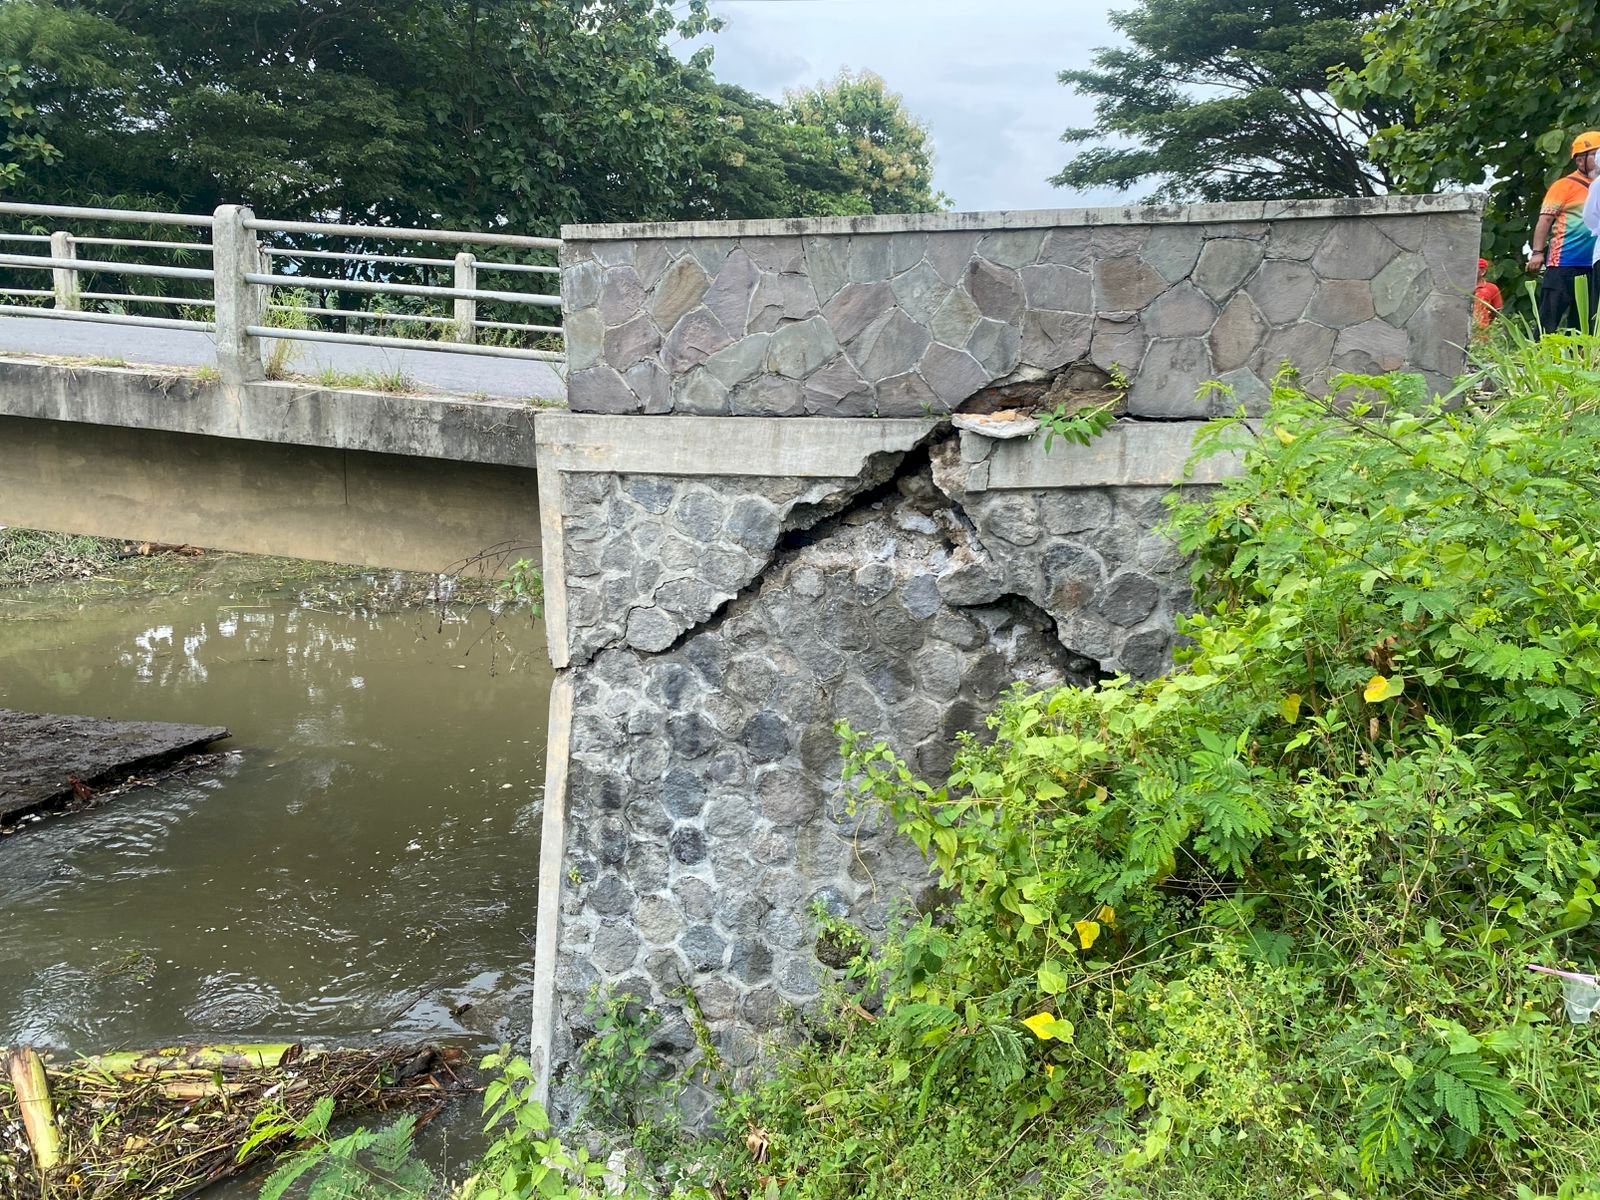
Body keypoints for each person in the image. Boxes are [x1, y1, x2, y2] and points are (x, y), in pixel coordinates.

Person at [1529, 132, 1600, 333]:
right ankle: (1538, 350)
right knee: (1549, 318)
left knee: (1584, 323)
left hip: (1592, 266)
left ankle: (1577, 353)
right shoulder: (1563, 185)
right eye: (1595, 154)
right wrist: (1537, 252)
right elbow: (1545, 219)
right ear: (1580, 160)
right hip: (1564, 263)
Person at [1474, 258, 1502, 334]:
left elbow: (1497, 312)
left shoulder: (1492, 288)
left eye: (1474, 268)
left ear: (1482, 272)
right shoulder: (1459, 286)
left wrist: (1485, 324)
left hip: (1481, 332)